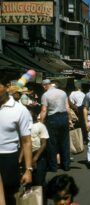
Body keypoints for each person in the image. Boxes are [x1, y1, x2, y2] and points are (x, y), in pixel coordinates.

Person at [0, 77, 33, 205]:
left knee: (9, 196)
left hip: (8, 158)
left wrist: (28, 169)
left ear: (7, 87)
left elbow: (26, 141)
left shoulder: (20, 110)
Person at [39, 79, 71, 172]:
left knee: (52, 143)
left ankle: (53, 167)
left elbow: (44, 110)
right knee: (65, 142)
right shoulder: (63, 92)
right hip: (63, 117)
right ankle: (66, 165)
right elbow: (67, 107)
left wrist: (41, 122)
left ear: (45, 86)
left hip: (52, 118)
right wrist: (69, 120)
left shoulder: (45, 95)